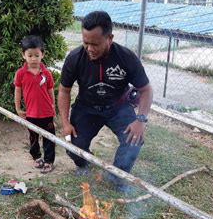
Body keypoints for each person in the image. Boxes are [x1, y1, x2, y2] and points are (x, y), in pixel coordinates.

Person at [58, 10, 153, 191]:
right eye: (86, 43)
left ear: (110, 38)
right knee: (72, 146)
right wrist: (65, 123)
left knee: (134, 140)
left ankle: (116, 176)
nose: (90, 49)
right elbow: (63, 90)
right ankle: (85, 165)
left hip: (118, 107)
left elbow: (146, 90)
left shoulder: (126, 57)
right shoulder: (75, 58)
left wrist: (140, 120)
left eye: (95, 44)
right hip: (87, 107)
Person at [14, 35, 56, 174]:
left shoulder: (47, 74)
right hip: (31, 113)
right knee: (33, 137)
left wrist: (53, 107)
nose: (33, 59)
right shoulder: (20, 74)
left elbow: (50, 91)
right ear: (23, 55)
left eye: (36, 55)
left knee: (49, 138)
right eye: (30, 55)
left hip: (47, 113)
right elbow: (18, 91)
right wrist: (18, 108)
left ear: (42, 55)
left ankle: (49, 161)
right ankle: (36, 157)